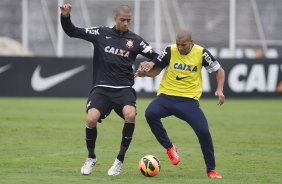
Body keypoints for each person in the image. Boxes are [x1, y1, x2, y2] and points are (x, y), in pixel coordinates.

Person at [60, 3, 158, 176]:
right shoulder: (100, 33)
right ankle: (91, 157)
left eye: (129, 21)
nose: (126, 24)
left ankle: (119, 160)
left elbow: (157, 57)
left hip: (124, 88)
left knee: (131, 115)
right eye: (123, 20)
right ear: (115, 19)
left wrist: (150, 63)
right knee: (91, 119)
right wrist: (65, 16)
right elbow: (72, 31)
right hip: (102, 87)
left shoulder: (136, 41)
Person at [135, 30, 225, 179]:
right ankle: (170, 148)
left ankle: (211, 170)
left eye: (183, 45)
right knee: (150, 113)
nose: (180, 47)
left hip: (188, 101)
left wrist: (220, 90)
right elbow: (155, 71)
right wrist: (144, 73)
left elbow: (219, 70)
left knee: (203, 131)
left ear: (191, 43)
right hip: (166, 97)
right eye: (178, 44)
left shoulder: (202, 53)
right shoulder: (170, 50)